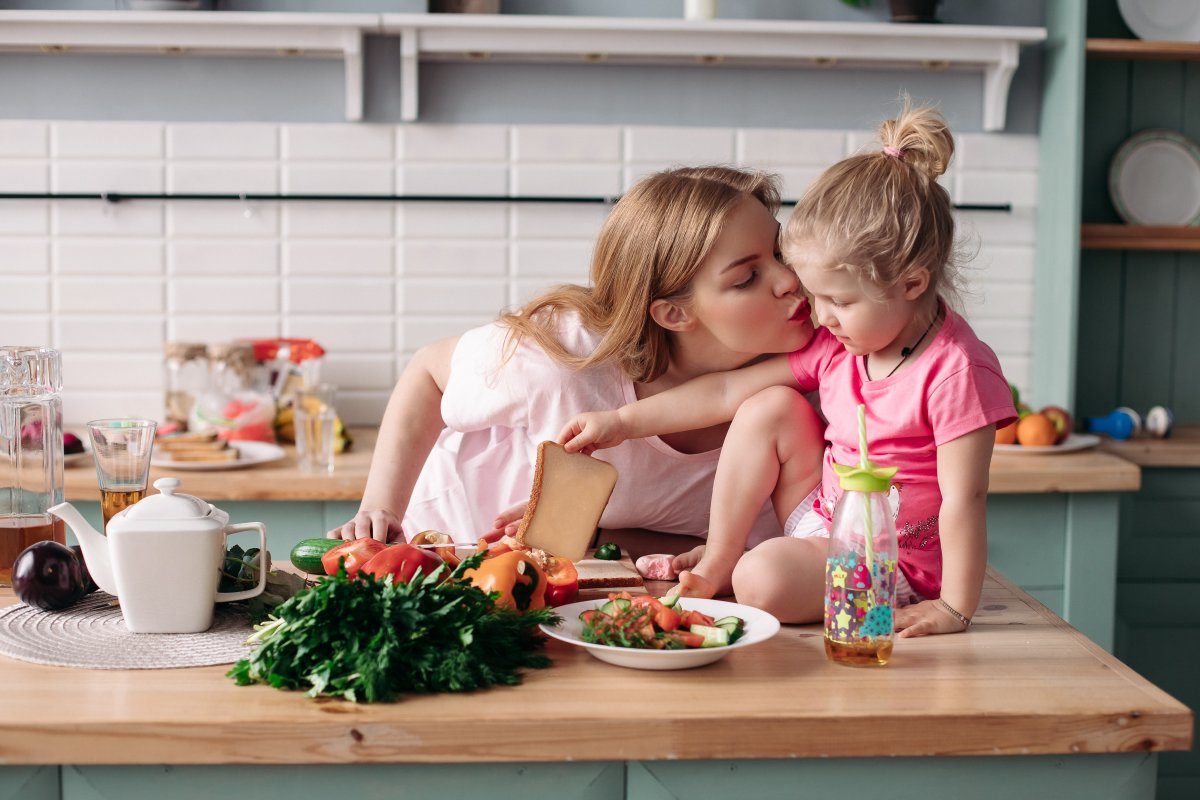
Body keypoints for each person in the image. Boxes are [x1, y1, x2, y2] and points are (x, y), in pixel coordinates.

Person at [560, 102, 1017, 636]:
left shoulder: (956, 371)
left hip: (893, 564)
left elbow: (967, 499)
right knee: (770, 406)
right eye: (816, 293)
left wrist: (954, 608)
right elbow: (728, 390)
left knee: (763, 580)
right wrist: (620, 423)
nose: (819, 315)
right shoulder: (839, 344)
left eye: (839, 301)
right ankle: (715, 563)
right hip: (823, 520)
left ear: (913, 284)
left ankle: (746, 570)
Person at [331, 165, 823, 567]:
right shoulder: (565, 356)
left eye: (781, 251)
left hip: (576, 572)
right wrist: (379, 508)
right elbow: (428, 373)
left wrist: (586, 531)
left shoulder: (810, 395)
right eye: (747, 277)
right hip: (439, 554)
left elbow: (743, 553)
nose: (789, 280)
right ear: (674, 314)